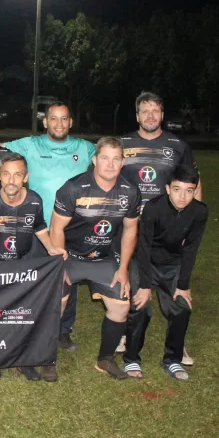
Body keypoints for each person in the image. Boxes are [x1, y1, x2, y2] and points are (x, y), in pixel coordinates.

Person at [0, 102, 94, 352]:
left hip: (71, 227)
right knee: (32, 280)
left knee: (67, 280)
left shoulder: (85, 148)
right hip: (32, 228)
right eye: (54, 118)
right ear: (45, 122)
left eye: (64, 118)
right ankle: (22, 327)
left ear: (71, 122)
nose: (59, 123)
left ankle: (62, 330)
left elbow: (112, 159)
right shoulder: (29, 144)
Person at [117, 91, 203, 364]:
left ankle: (178, 344)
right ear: (137, 116)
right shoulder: (123, 144)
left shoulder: (178, 145)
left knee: (176, 292)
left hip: (167, 232)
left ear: (162, 115)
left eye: (155, 111)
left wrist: (189, 221)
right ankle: (126, 334)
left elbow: (193, 182)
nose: (150, 116)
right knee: (131, 285)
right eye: (145, 111)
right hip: (131, 229)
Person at [0, 152, 67, 381]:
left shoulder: (34, 201)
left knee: (21, 313)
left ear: (26, 177)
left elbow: (39, 227)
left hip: (21, 264)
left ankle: (23, 359)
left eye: (18, 175)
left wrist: (52, 248)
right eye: (7, 174)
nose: (11, 180)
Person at [50, 137, 142, 380]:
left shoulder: (130, 191)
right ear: (94, 160)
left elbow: (130, 230)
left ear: (123, 162)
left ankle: (106, 358)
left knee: (121, 307)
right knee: (55, 304)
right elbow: (56, 228)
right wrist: (59, 266)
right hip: (70, 256)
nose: (110, 165)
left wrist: (123, 269)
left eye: (116, 159)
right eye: (105, 158)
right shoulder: (73, 188)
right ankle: (45, 357)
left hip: (103, 258)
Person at [121, 165, 207, 381]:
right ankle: (131, 358)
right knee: (140, 306)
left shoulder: (200, 212)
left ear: (195, 190)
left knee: (182, 307)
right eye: (177, 189)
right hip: (146, 261)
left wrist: (183, 285)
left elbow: (191, 249)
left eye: (189, 190)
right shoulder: (153, 208)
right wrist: (144, 285)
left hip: (173, 263)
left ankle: (172, 360)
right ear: (168, 188)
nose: (182, 197)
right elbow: (144, 247)